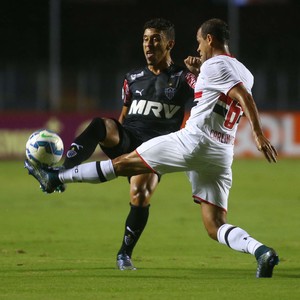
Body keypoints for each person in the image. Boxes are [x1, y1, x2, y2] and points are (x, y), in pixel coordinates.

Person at [25, 18, 279, 278]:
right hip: (221, 153)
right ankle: (261, 251)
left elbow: (241, 95)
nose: (198, 47)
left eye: (199, 41)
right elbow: (228, 88)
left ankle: (55, 176)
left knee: (123, 164)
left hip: (193, 141)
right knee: (215, 225)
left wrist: (259, 135)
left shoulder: (212, 66)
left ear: (210, 39)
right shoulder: (245, 71)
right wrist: (201, 70)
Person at [41, 18, 196, 270]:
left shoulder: (183, 78)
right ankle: (62, 171)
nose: (149, 45)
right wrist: (117, 136)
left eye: (156, 39)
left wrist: (200, 71)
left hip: (155, 150)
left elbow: (207, 91)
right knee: (102, 124)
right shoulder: (132, 77)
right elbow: (124, 114)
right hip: (128, 137)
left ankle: (124, 253)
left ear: (170, 44)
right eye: (145, 39)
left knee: (140, 194)